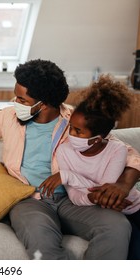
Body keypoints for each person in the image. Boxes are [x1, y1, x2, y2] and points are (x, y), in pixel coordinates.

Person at [0, 59, 140, 259]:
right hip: (29, 200)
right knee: (41, 243)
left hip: (73, 199)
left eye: (22, 100)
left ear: (43, 104)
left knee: (117, 227)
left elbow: (129, 154)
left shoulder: (77, 121)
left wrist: (123, 186)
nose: (15, 102)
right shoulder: (8, 117)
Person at [39, 75, 140, 259]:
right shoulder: (64, 151)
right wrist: (91, 195)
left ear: (98, 138)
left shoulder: (117, 150)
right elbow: (77, 197)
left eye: (78, 131)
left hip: (134, 205)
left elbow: (103, 191)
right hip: (114, 209)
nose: (71, 135)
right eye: (71, 128)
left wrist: (68, 176)